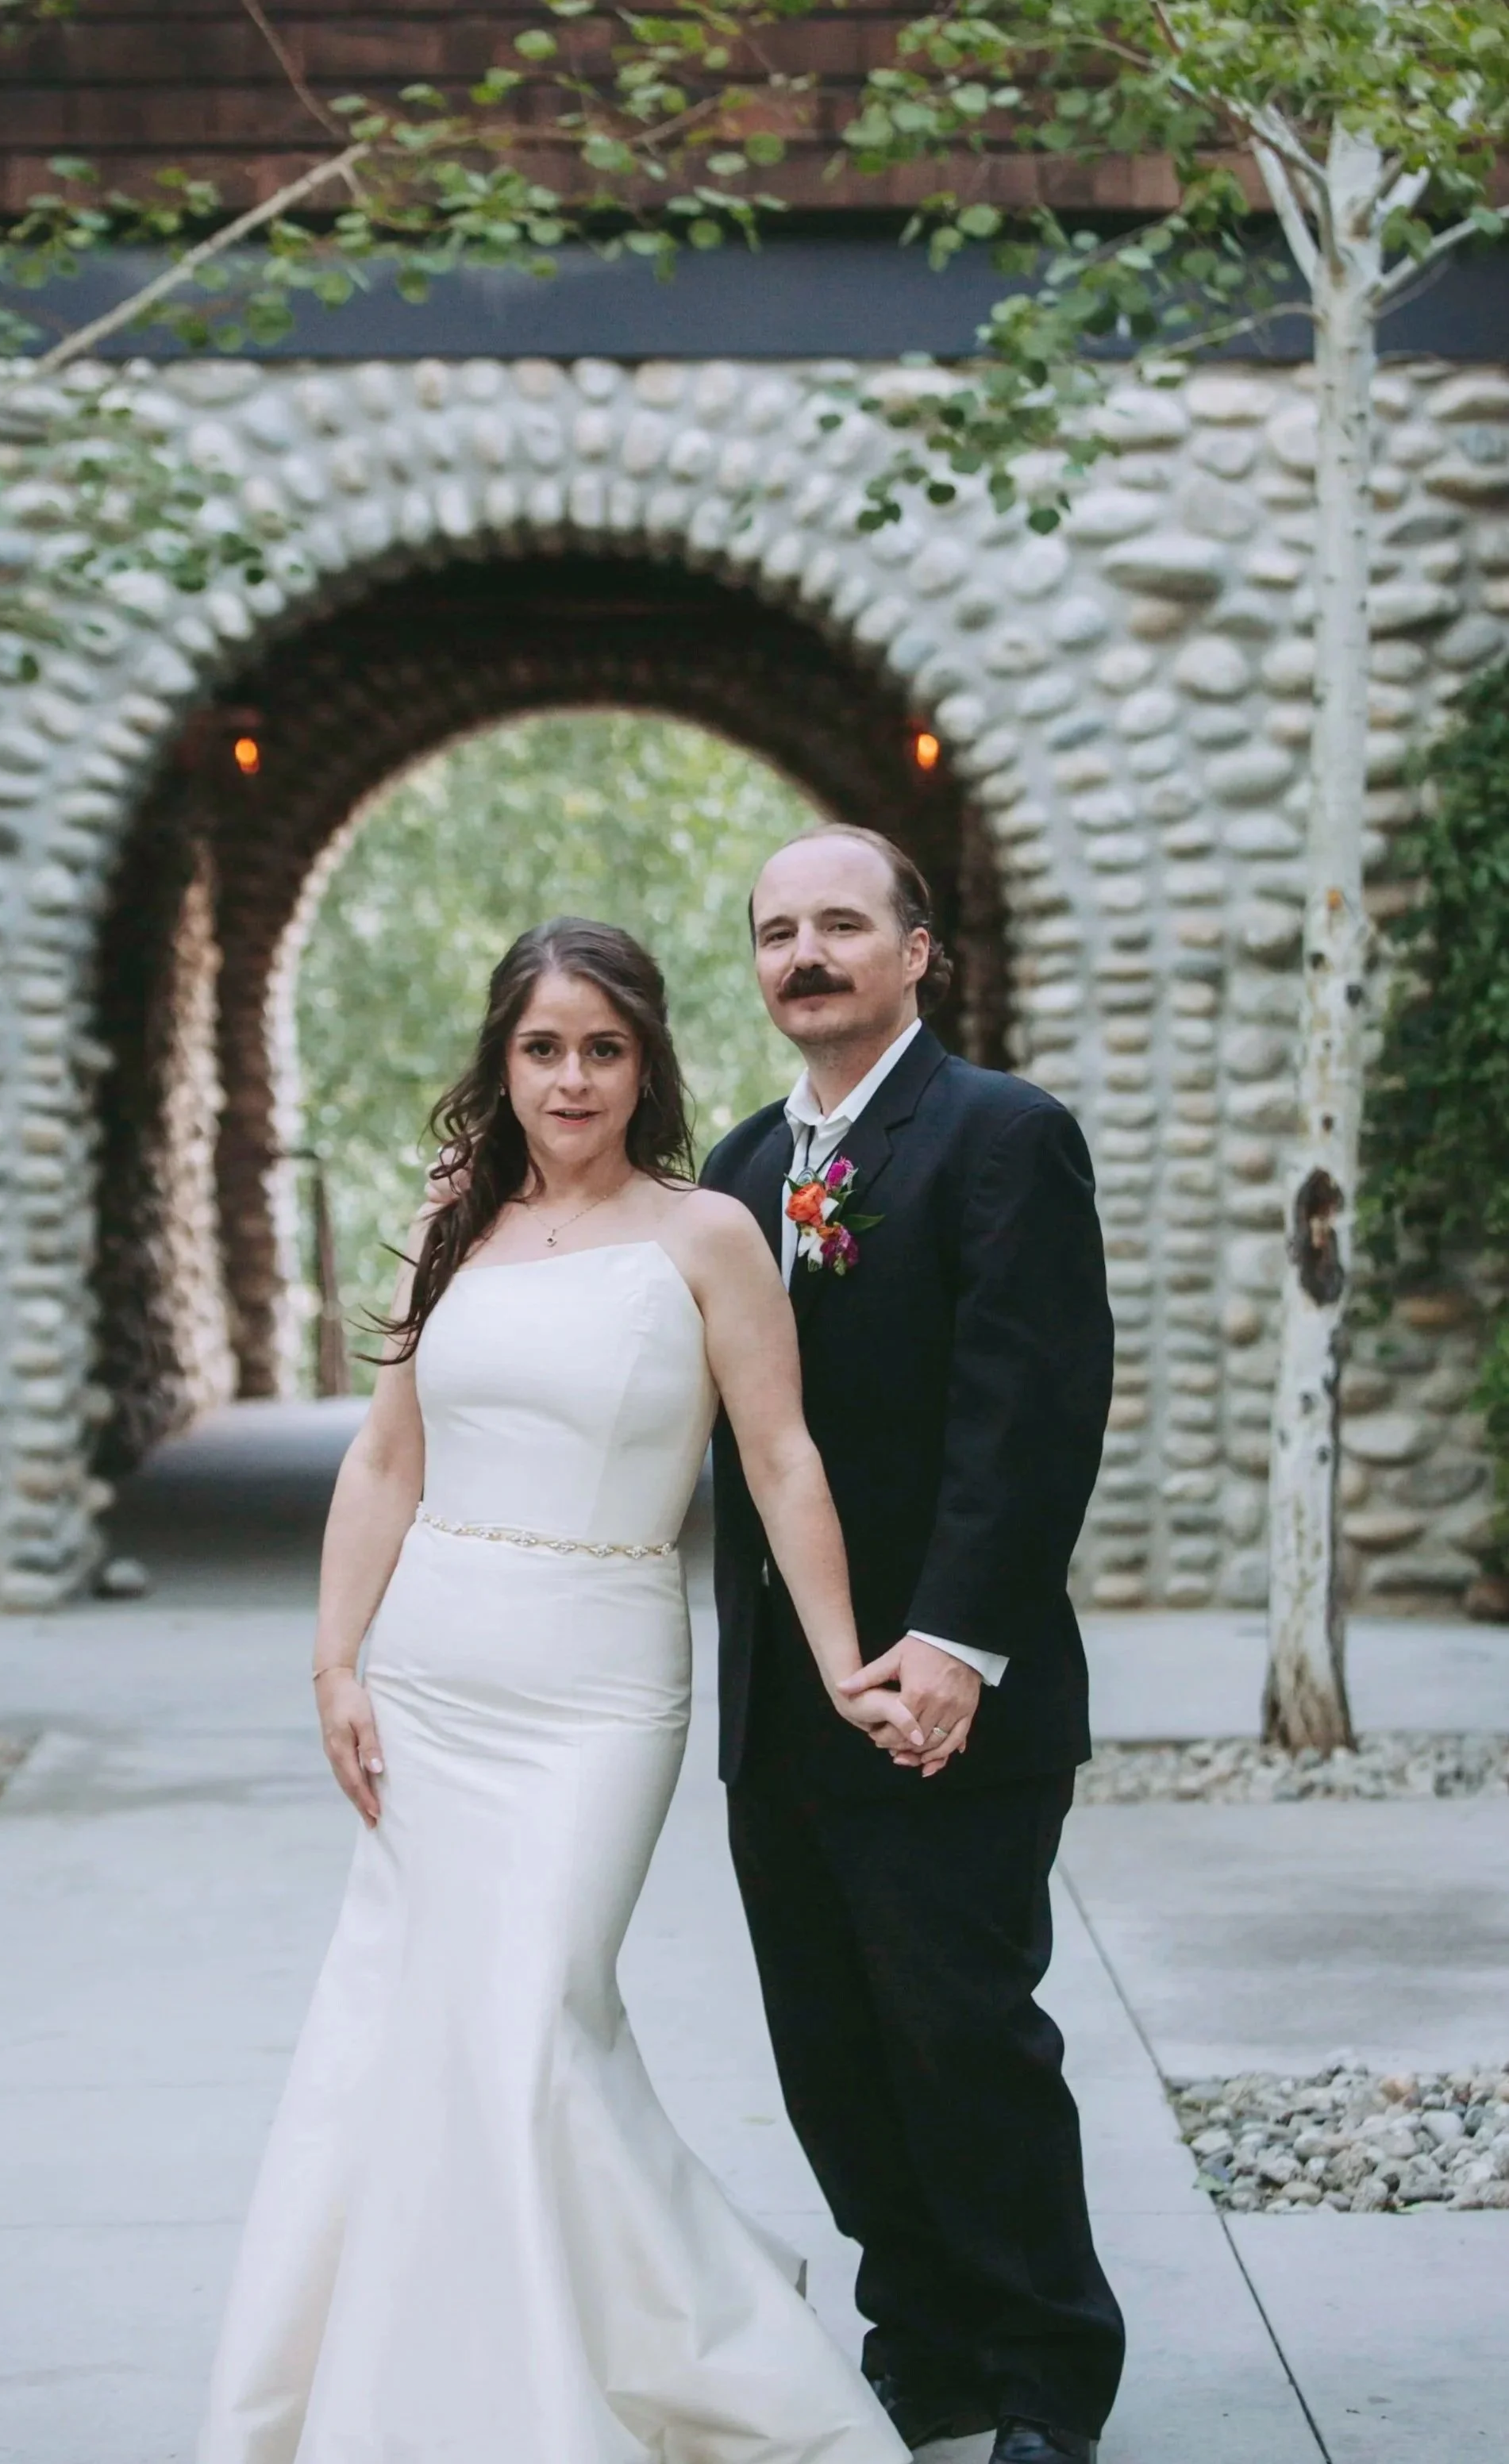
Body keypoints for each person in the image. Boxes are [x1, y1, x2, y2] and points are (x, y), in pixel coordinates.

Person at [198, 917, 919, 2464]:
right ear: (501, 1061)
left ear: (645, 1057)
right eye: (541, 1047)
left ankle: (709, 2357)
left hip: (599, 1679)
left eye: (601, 1045)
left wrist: (838, 1656)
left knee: (532, 2025)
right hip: (435, 1668)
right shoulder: (452, 1212)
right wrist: (335, 1660)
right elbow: (386, 1455)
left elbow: (781, 1459)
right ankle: (430, 2389)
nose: (571, 1076)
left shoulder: (707, 1233)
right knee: (415, 2037)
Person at [701, 826, 1125, 2464]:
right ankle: (923, 2350)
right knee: (832, 2047)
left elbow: (1032, 1406)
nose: (802, 954)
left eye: (837, 925)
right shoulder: (740, 1170)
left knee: (965, 2039)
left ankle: (1042, 2380)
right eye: (774, 931)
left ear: (914, 950)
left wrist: (956, 1639)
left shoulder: (1001, 1135)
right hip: (785, 1705)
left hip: (951, 1697)